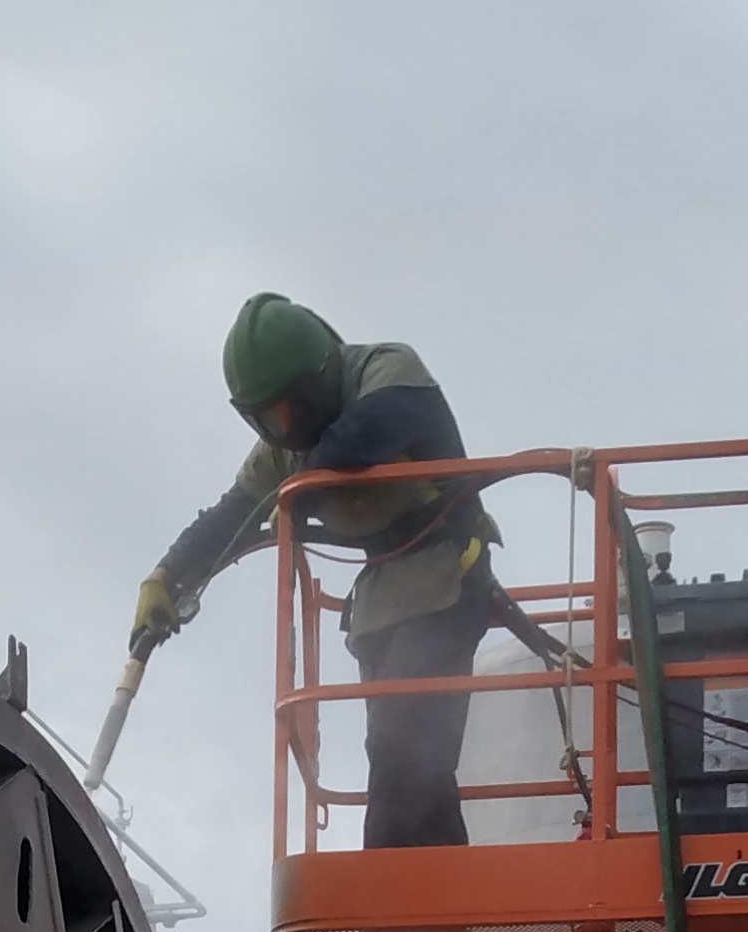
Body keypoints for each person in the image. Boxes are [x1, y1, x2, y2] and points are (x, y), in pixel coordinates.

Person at [133, 293, 499, 849]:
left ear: (325, 370)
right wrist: (166, 576)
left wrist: (290, 493)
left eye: (296, 407)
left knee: (406, 739)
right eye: (269, 417)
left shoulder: (388, 370)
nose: (286, 426)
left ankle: (388, 900)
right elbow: (229, 516)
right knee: (402, 754)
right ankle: (439, 898)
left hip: (449, 574)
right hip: (381, 595)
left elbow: (365, 436)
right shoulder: (282, 455)